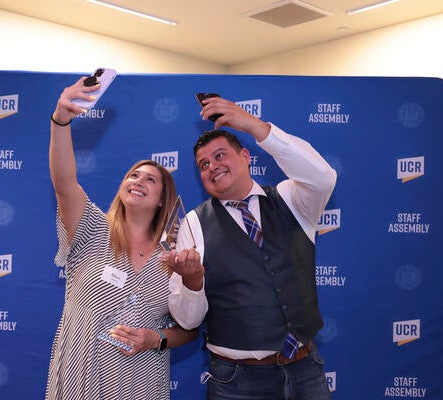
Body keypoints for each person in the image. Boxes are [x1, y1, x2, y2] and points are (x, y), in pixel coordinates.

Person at [165, 95, 337, 399]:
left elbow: (322, 177)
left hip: (305, 371)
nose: (213, 167)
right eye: (204, 164)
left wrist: (256, 127)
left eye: (220, 156)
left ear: (245, 155)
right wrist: (192, 281)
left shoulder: (291, 200)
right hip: (236, 382)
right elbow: (188, 320)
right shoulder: (193, 223)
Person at [46, 76, 198, 400]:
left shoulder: (175, 256)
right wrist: (61, 120)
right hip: (80, 377)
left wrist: (154, 339)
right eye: (133, 175)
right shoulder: (91, 229)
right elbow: (64, 183)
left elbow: (190, 329)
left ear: (162, 199)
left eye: (151, 179)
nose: (138, 180)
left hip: (139, 381)